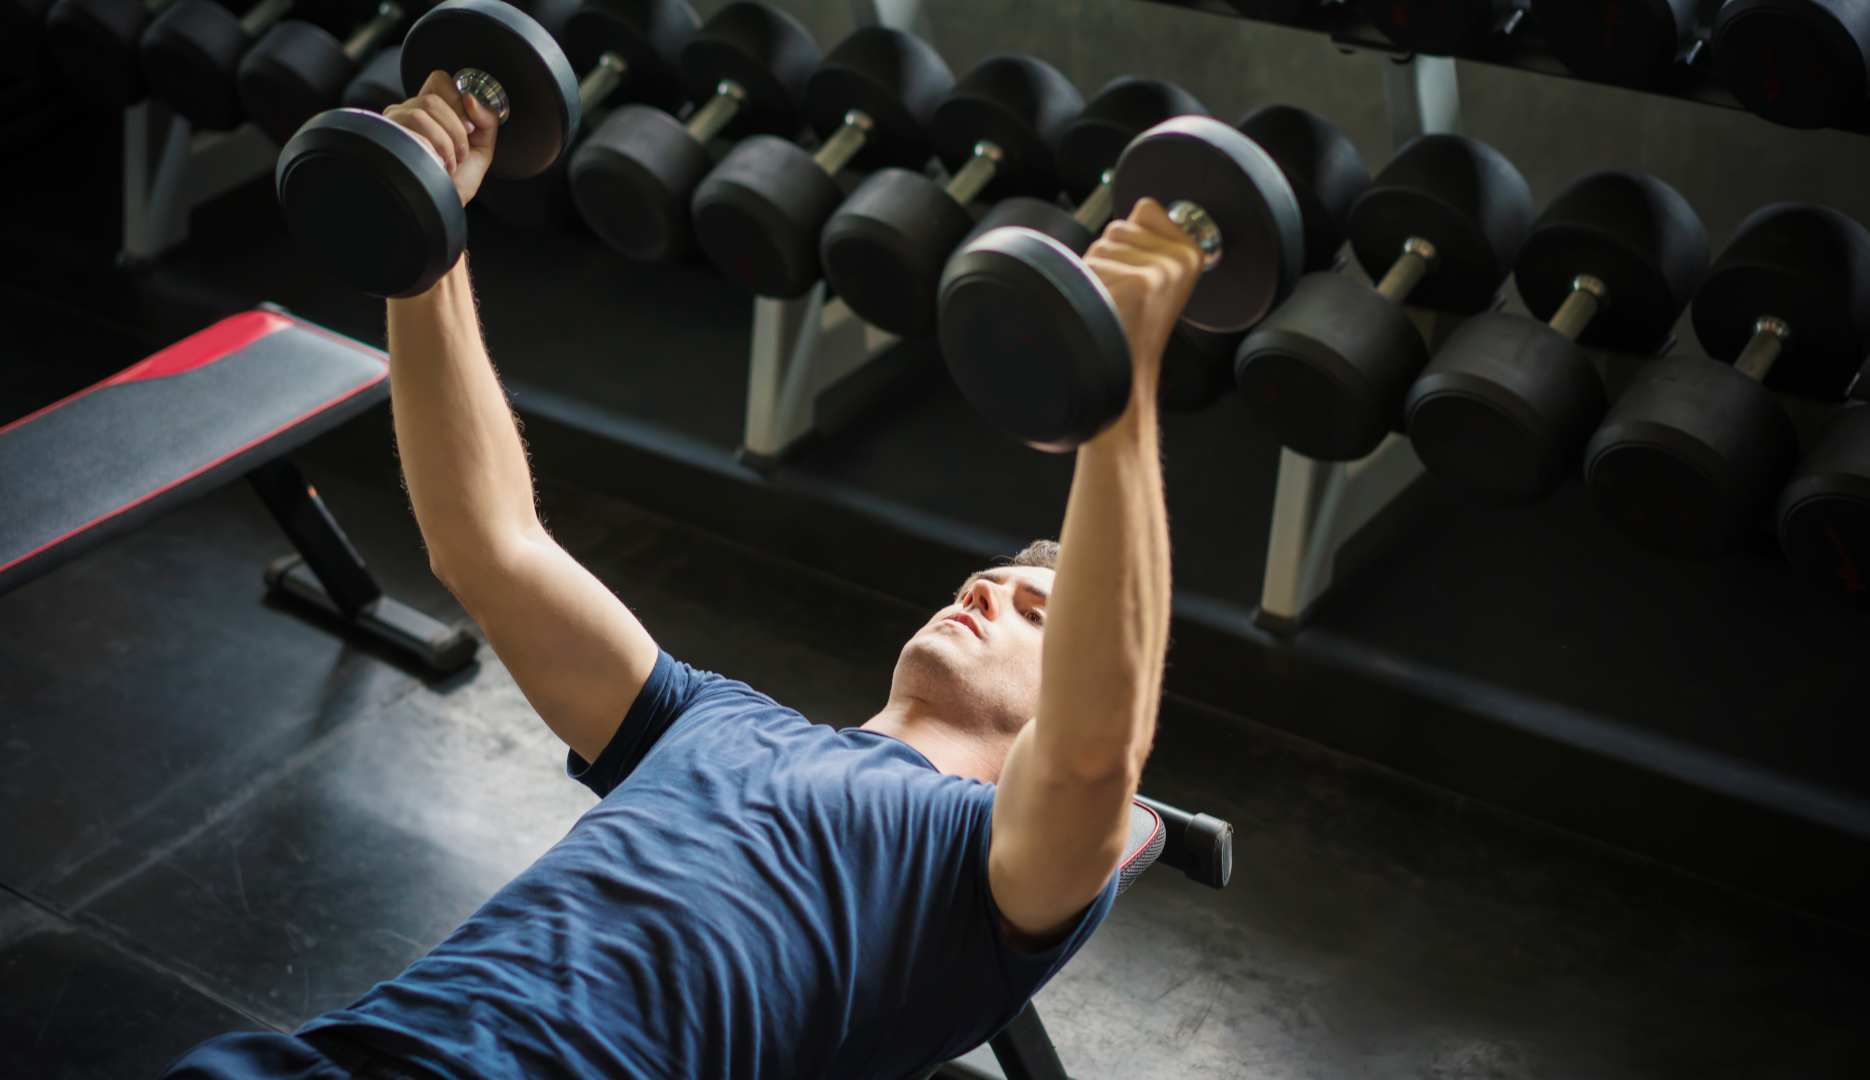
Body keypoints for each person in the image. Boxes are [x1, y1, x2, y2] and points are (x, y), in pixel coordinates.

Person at [164, 70, 1202, 1080]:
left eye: (1036, 617)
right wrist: (425, 233)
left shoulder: (986, 872)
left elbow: (1091, 757)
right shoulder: (707, 718)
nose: (985, 593)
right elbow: (489, 543)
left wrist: (1123, 387)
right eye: (994, 580)